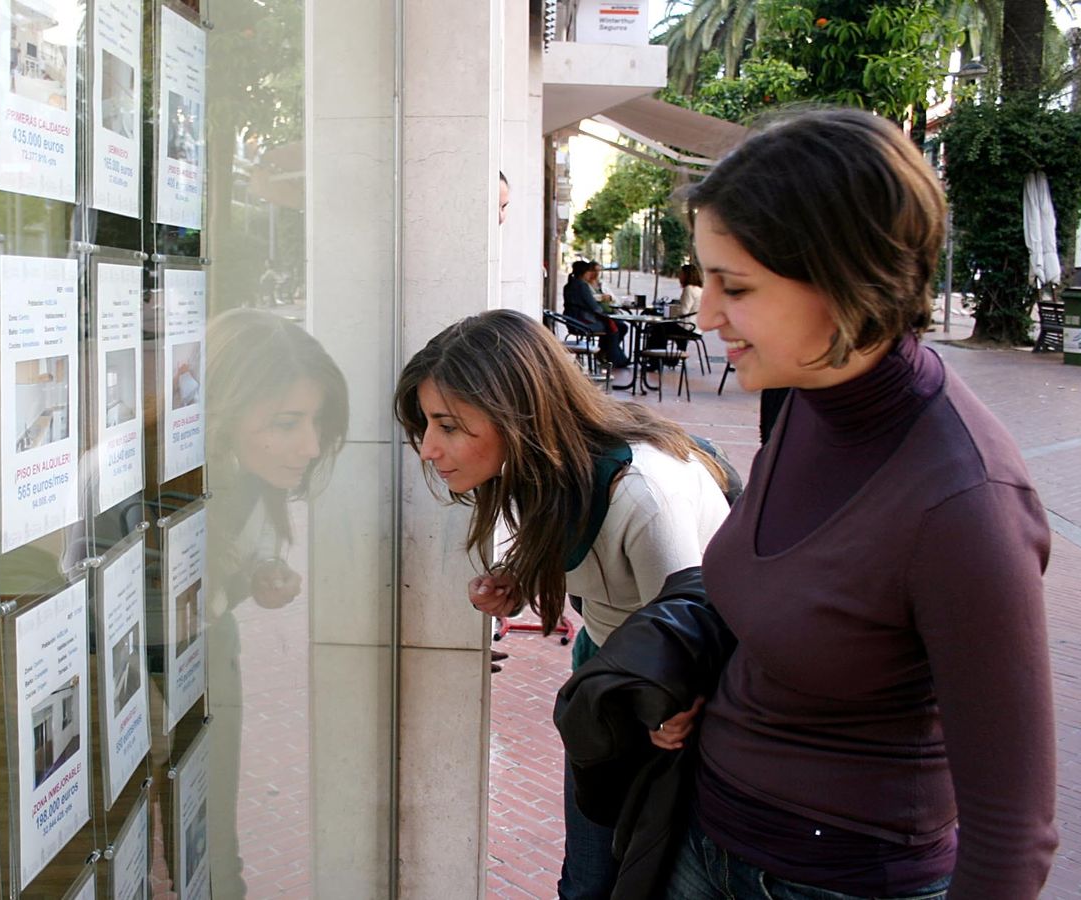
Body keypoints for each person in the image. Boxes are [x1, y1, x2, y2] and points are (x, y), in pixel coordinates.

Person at [658, 107, 1057, 899]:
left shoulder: (964, 500)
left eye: (734, 286)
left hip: (840, 879)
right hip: (709, 840)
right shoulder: (807, 393)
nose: (704, 315)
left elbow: (1014, 835)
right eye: (705, 278)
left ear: (847, 280)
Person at [393, 309, 729, 900]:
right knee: (588, 876)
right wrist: (519, 576)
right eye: (426, 425)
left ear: (517, 415)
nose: (428, 449)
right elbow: (577, 544)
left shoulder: (643, 492)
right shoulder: (540, 469)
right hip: (612, 672)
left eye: (448, 425)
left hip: (677, 697)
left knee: (645, 873)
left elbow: (695, 624)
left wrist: (679, 707)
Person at [205, 308, 349, 898]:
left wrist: (262, 573)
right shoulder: (135, 492)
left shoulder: (252, 481)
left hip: (210, 658)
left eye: (315, 423)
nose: (311, 446)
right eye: (288, 423)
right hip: (133, 679)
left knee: (213, 837)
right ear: (224, 411)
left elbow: (241, 562)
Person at [563, 261, 630, 369]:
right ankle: (613, 359)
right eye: (590, 271)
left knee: (618, 325)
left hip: (572, 321)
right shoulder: (582, 286)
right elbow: (594, 307)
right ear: (585, 272)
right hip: (583, 323)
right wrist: (605, 312)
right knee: (614, 327)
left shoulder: (569, 285)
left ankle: (607, 354)